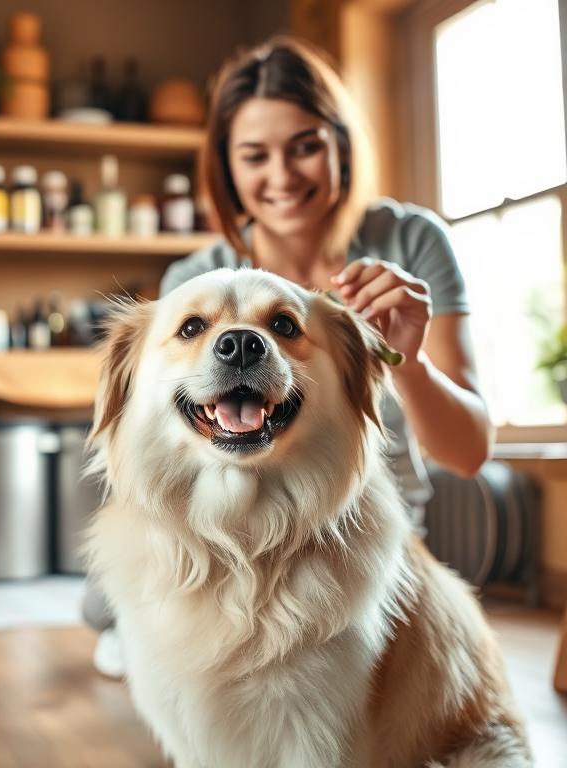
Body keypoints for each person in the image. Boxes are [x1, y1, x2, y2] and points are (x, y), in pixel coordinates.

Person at [84, 35, 493, 678]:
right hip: (213, 529)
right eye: (255, 155)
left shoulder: (410, 242)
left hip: (355, 517)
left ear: (341, 145)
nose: (282, 176)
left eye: (305, 146)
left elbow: (468, 454)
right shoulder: (198, 274)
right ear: (227, 168)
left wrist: (404, 359)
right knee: (107, 591)